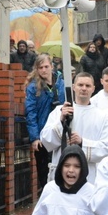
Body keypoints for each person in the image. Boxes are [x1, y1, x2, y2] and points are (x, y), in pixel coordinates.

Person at [41, 72, 108, 183]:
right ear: (74, 87)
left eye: (88, 86)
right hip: (61, 173)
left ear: (93, 89)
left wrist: (82, 143)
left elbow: (106, 147)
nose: (84, 88)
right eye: (80, 85)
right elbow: (46, 141)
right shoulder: (59, 111)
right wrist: (61, 122)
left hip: (88, 176)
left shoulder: (101, 116)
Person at [25, 54, 65, 192]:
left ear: (52, 67)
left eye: (46, 66)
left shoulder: (61, 83)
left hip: (61, 132)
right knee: (44, 172)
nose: (44, 70)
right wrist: (35, 137)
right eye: (40, 67)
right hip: (43, 134)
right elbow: (31, 113)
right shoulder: (33, 88)